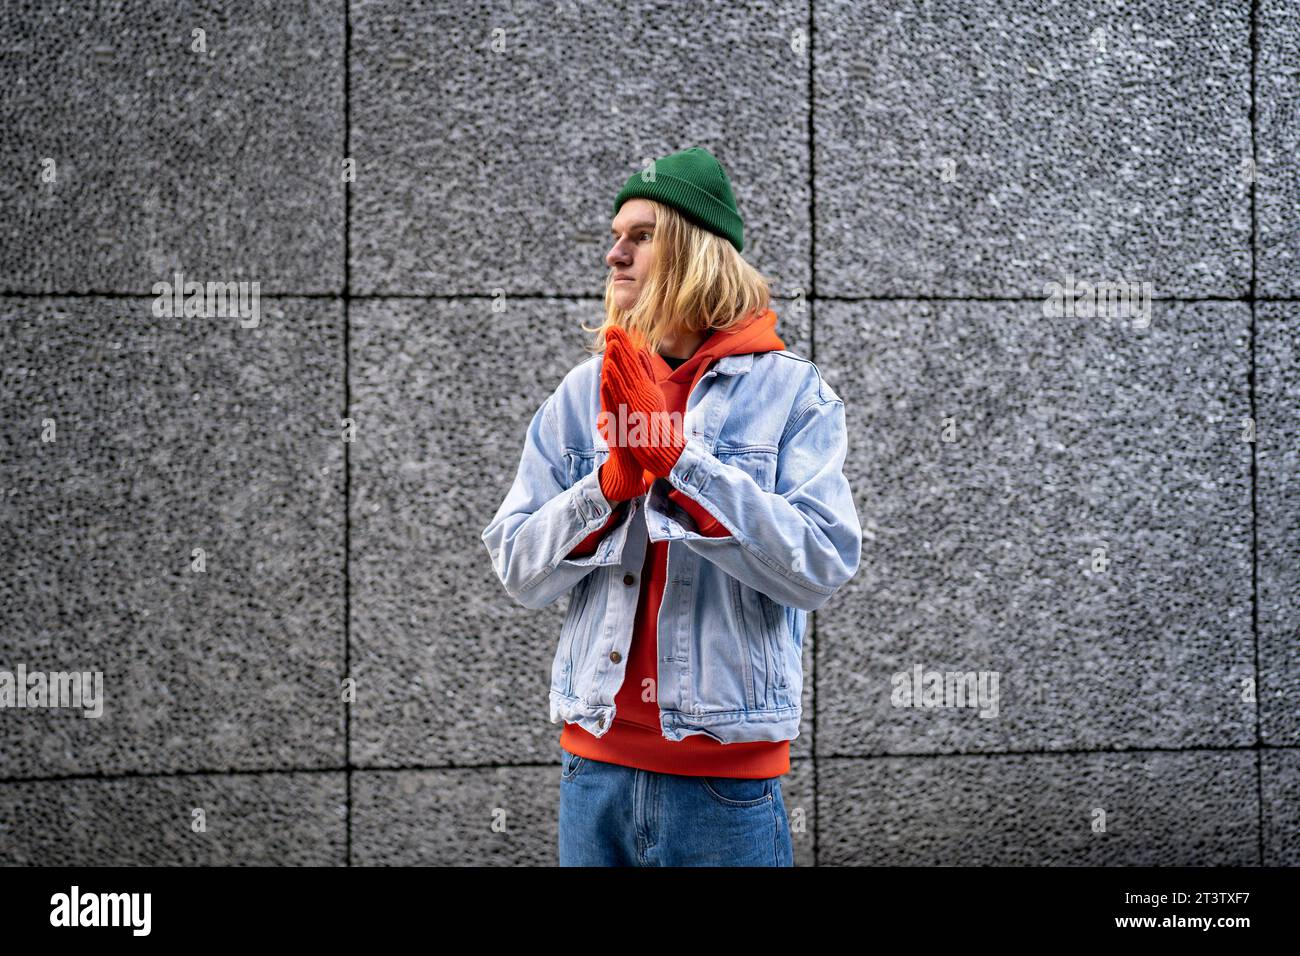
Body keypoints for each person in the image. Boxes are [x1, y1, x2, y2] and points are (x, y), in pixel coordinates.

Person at [482, 146, 862, 866]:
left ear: (694, 251)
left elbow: (821, 565)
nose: (613, 254)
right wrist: (605, 490)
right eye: (615, 235)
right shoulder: (582, 394)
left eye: (641, 235)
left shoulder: (792, 396)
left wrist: (682, 467)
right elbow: (517, 568)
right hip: (592, 776)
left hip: (722, 788)